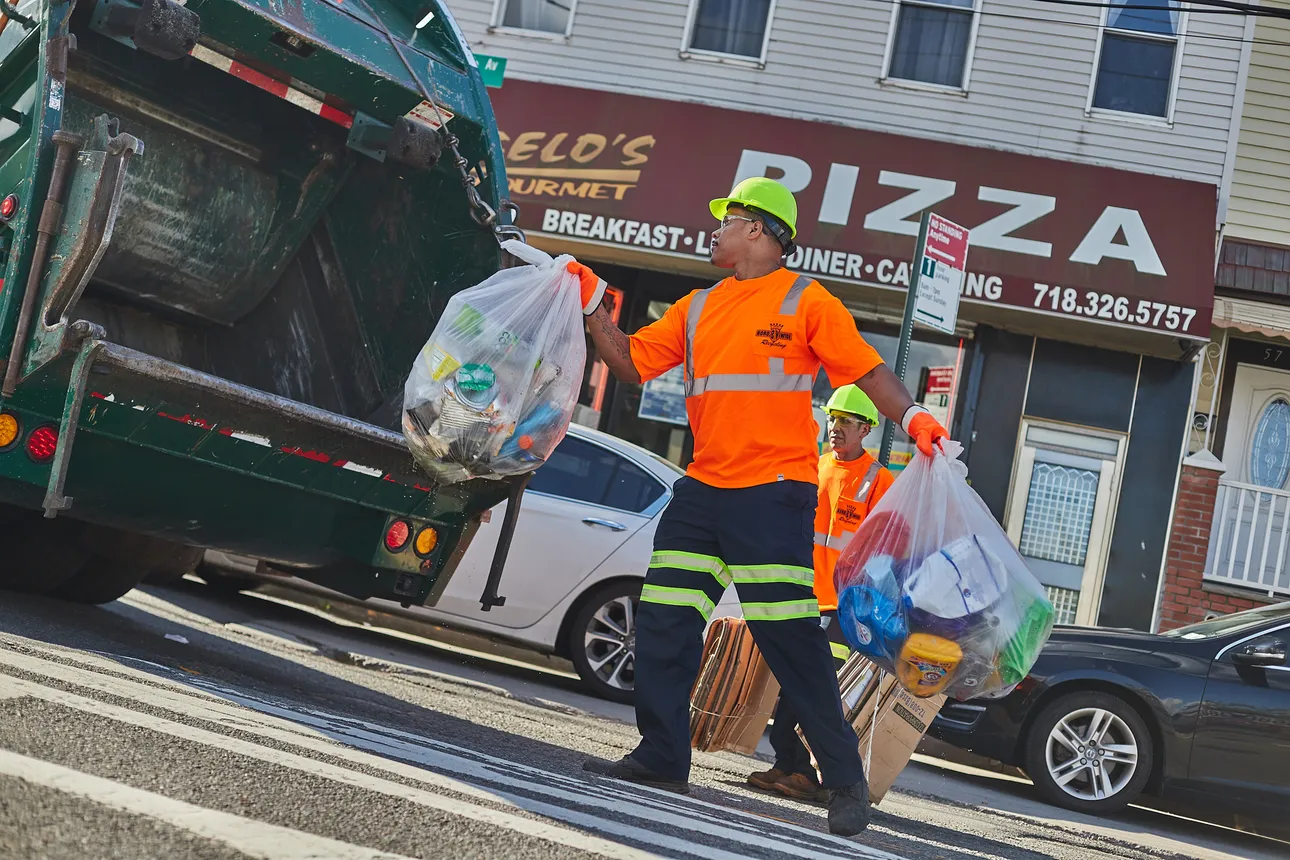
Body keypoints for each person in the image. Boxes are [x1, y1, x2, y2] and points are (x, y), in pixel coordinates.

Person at [566, 177, 949, 837]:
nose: (715, 229)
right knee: (664, 620)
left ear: (761, 232)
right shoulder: (697, 306)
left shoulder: (806, 301)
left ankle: (845, 782)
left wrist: (914, 417)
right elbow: (630, 363)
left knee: (790, 638)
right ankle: (662, 754)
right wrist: (593, 304)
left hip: (772, 494)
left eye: (729, 218)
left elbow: (865, 371)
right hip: (703, 489)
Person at [747, 384, 894, 802]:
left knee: (818, 689)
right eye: (832, 419)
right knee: (791, 685)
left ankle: (811, 775)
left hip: (842, 606)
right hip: (802, 595)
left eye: (847, 422)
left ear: (866, 429)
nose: (836, 428)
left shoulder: (878, 480)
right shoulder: (815, 466)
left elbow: (885, 547)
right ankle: (787, 766)